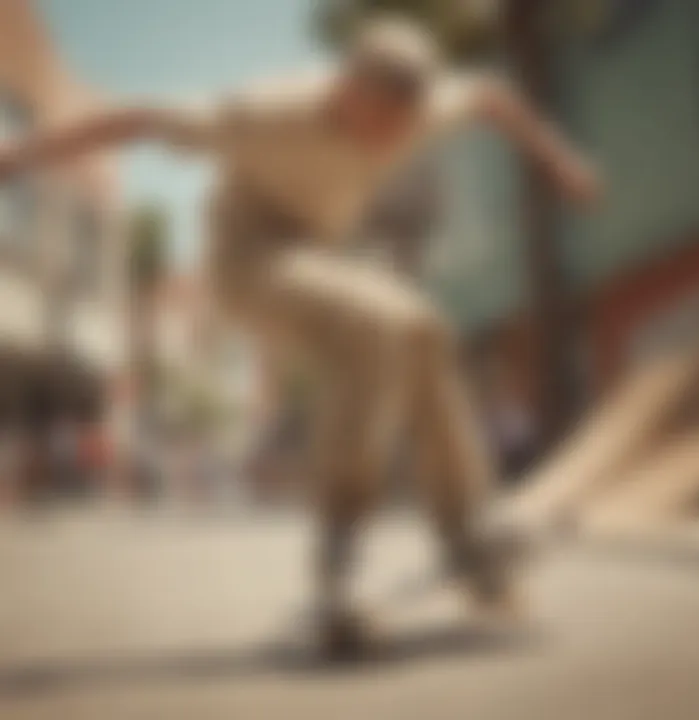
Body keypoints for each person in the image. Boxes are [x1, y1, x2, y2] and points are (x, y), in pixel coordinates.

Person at [0, 17, 600, 658]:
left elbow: (487, 96)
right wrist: (17, 156)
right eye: (377, 120)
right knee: (380, 324)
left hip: (319, 254)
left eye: (402, 126)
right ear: (345, 88)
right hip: (247, 264)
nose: (386, 140)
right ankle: (335, 570)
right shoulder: (264, 114)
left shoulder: (418, 110)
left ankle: (470, 535)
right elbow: (138, 117)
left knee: (423, 330)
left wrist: (557, 158)